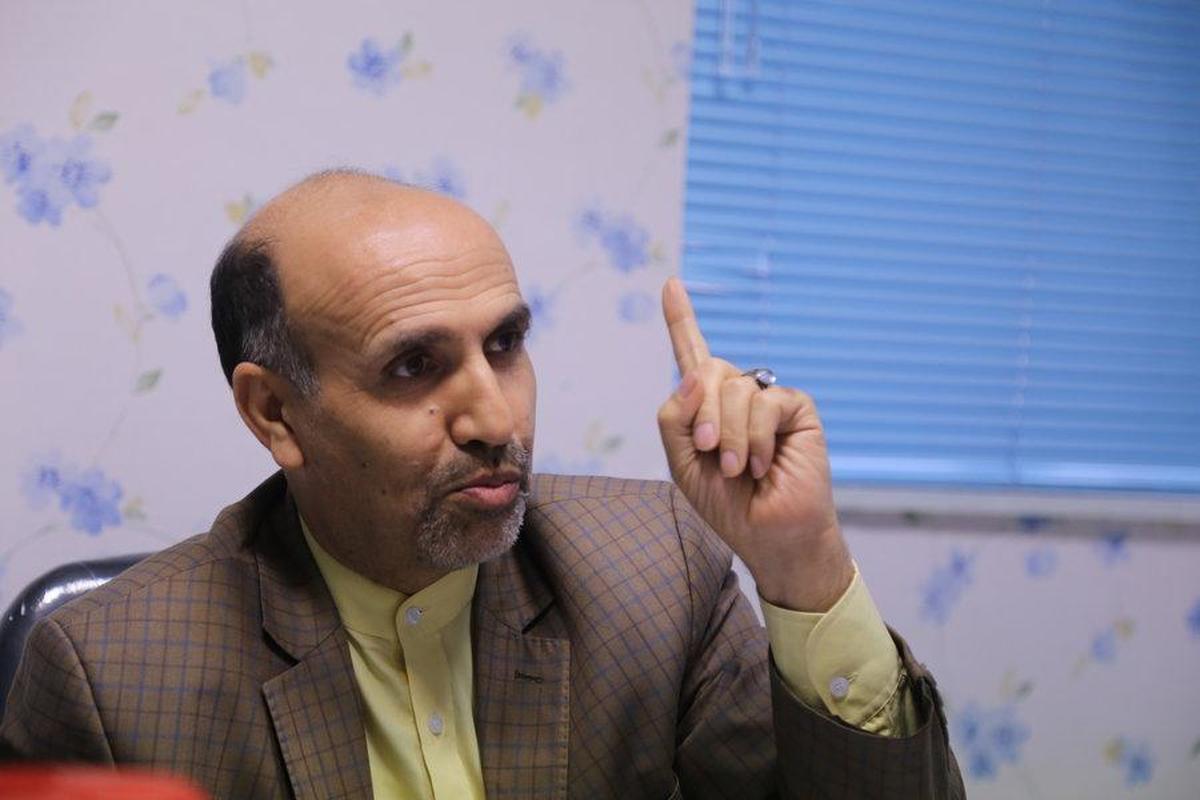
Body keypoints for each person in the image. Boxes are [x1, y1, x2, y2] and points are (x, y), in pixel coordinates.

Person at [1, 171, 964, 799]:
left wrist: (803, 564)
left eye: (504, 345)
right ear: (275, 413)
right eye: (413, 366)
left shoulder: (655, 573)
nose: (497, 420)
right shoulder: (109, 676)